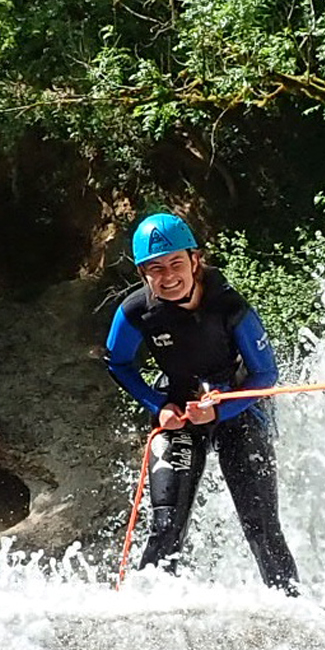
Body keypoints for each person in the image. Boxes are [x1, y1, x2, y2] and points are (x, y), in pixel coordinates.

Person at [104, 212, 300, 594]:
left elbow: (265, 375)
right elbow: (118, 362)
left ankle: (293, 607)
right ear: (144, 273)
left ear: (195, 260)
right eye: (155, 268)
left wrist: (220, 409)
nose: (168, 276)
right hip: (178, 411)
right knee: (165, 526)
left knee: (260, 525)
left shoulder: (230, 306)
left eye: (176, 263)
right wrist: (156, 403)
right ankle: (146, 612)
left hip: (238, 410)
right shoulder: (135, 312)